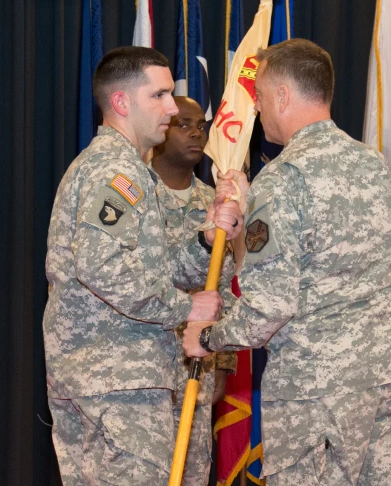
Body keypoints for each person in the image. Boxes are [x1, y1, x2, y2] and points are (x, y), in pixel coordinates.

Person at [183, 38, 391, 485]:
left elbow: (269, 307)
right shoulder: (373, 164)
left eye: (259, 97)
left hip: (317, 391)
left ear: (283, 95)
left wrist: (207, 337)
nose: (257, 109)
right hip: (390, 377)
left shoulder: (283, 179)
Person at [43, 46, 243, 485]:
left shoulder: (116, 167)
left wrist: (206, 239)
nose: (172, 109)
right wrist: (185, 309)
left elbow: (151, 266)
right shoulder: (117, 170)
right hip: (118, 381)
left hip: (103, 377)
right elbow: (100, 266)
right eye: (160, 96)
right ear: (121, 102)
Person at [150, 95, 238, 486]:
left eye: (201, 125)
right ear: (161, 128)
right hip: (143, 367)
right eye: (183, 123)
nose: (196, 133)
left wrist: (223, 363)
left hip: (196, 369)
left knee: (192, 471)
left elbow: (226, 288)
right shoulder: (136, 192)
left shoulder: (213, 203)